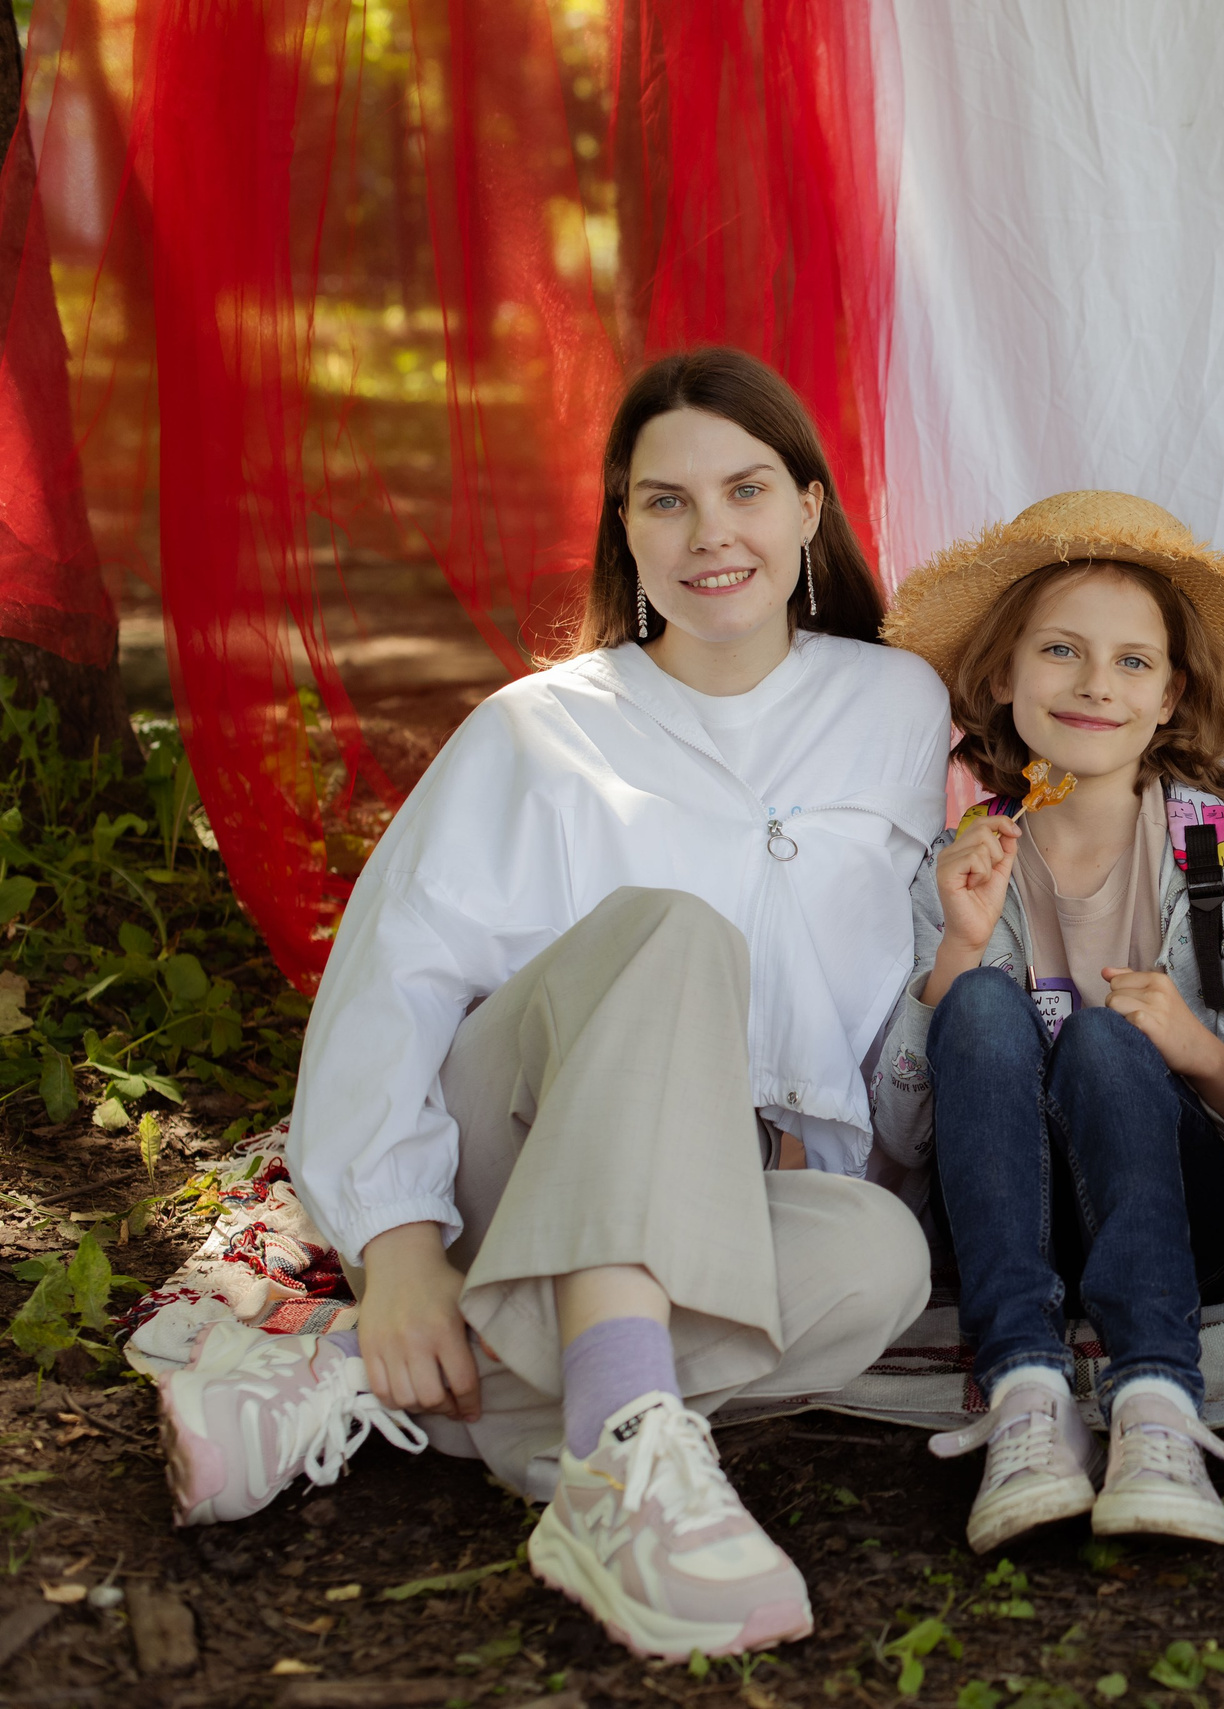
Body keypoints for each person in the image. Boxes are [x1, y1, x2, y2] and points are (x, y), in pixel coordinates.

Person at [151, 348, 948, 1661]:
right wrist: (399, 1235)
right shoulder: (540, 727)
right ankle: (631, 1461)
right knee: (673, 935)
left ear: (811, 508)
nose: (711, 535)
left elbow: (873, 943)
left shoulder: (896, 704)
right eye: (665, 502)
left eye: (745, 490)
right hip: (517, 1134)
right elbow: (393, 972)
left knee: (879, 1259)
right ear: (623, 530)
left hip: (720, 1171)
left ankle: (353, 1381)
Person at [873, 492, 1224, 1553]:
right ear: (1002, 678)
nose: (1093, 685)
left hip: (1185, 1210)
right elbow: (900, 1136)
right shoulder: (963, 861)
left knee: (1113, 1038)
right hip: (1003, 1211)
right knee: (979, 999)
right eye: (1061, 651)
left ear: (1170, 696)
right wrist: (959, 951)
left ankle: (1157, 1398)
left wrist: (1199, 1052)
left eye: (1130, 662)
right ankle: (1022, 1388)